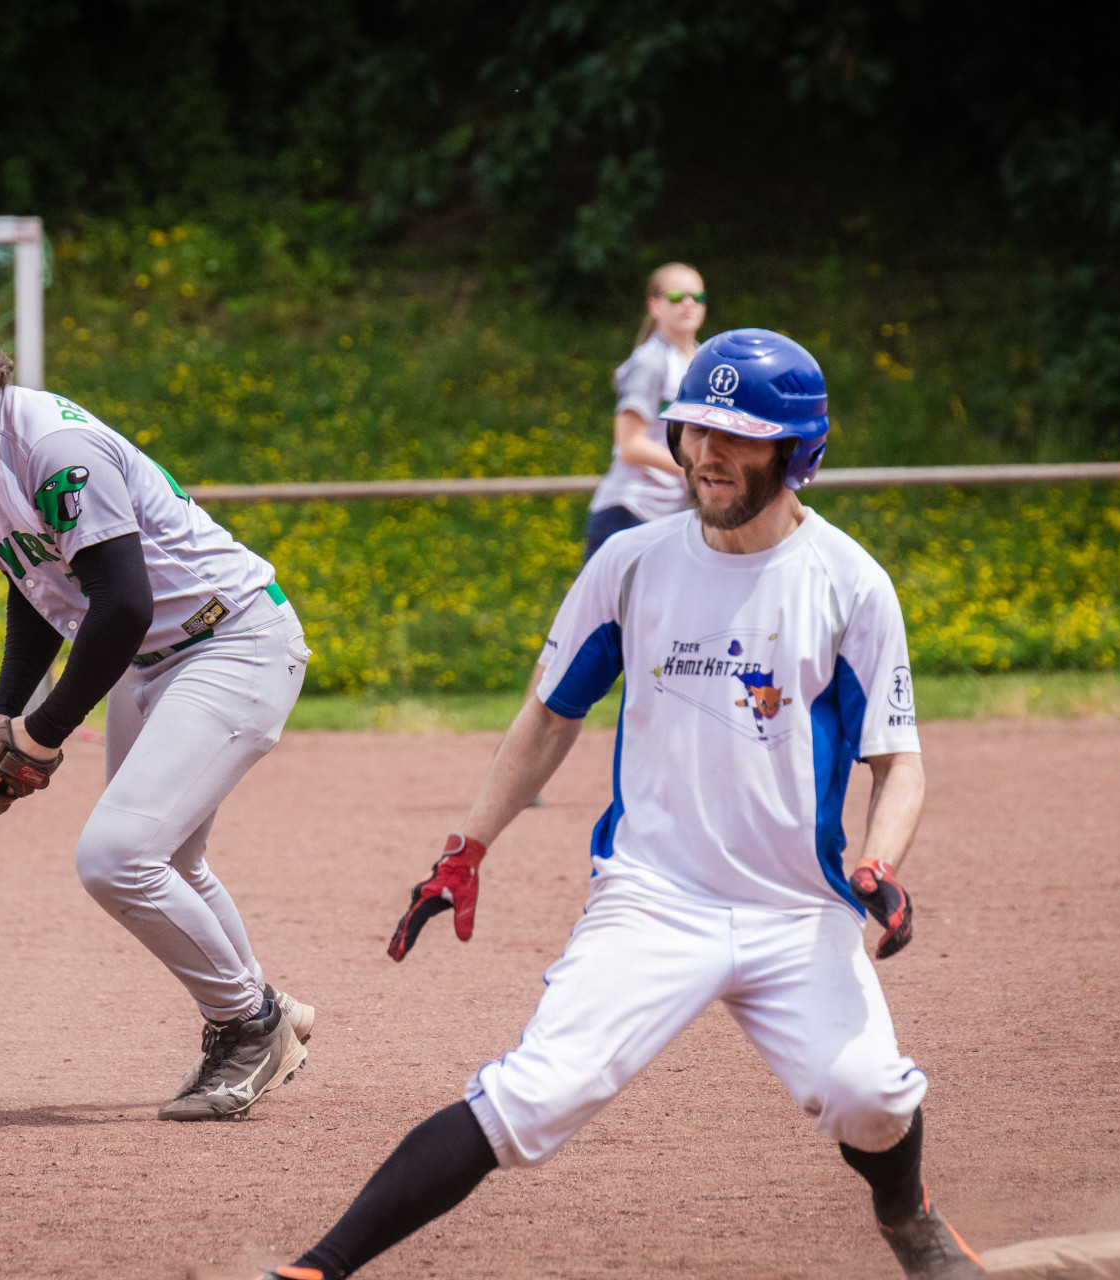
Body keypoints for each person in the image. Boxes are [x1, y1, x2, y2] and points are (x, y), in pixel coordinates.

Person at [255, 330, 987, 1280]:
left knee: (870, 1096)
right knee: (531, 1098)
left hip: (794, 909)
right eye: (693, 431)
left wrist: (879, 868)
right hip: (654, 898)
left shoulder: (850, 583)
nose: (706, 455)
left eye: (739, 437)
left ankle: (909, 1218)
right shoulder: (632, 564)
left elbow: (900, 763)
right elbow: (548, 719)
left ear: (796, 453)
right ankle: (318, 1269)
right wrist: (465, 848)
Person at [0, 278, 315, 1122]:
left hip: (234, 640)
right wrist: (4, 711)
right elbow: (36, 588)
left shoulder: (57, 450)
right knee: (167, 861)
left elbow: (125, 603)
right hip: (153, 661)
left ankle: (252, 1022)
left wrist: (42, 735)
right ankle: (256, 1017)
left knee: (115, 858)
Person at [581, 262, 708, 562]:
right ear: (654, 306)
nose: (689, 304)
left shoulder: (704, 360)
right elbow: (630, 446)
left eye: (697, 297)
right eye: (677, 296)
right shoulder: (651, 361)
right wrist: (697, 468)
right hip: (632, 511)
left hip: (673, 515)